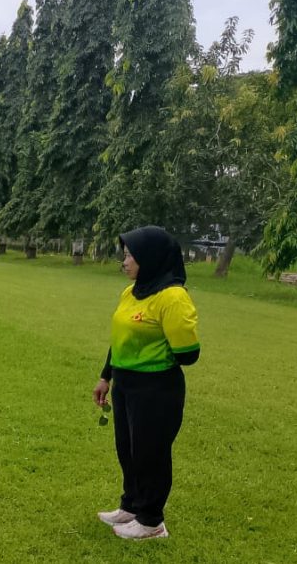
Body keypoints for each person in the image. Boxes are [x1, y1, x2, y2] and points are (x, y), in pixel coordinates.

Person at [93, 225, 200, 540]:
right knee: (128, 449)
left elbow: (188, 354)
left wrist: (161, 346)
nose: (124, 262)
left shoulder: (173, 297)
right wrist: (106, 376)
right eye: (124, 255)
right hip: (126, 383)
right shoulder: (132, 291)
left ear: (150, 258)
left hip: (156, 388)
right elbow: (120, 338)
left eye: (130, 256)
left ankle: (152, 521)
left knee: (150, 453)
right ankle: (131, 505)